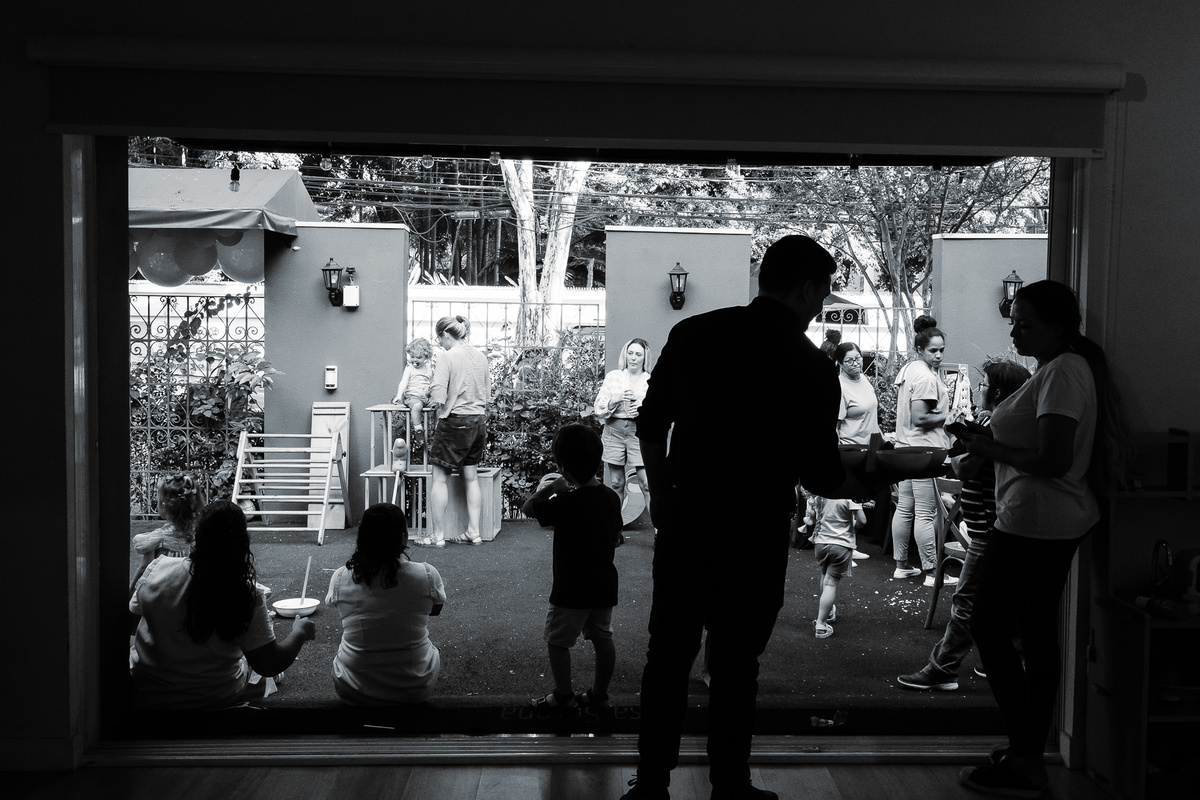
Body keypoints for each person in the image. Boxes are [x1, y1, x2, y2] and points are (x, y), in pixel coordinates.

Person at [622, 234, 870, 800]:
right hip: (755, 530)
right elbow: (821, 475)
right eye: (822, 294)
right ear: (806, 288)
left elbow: (650, 423)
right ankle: (730, 786)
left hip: (688, 518)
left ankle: (652, 785)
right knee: (737, 663)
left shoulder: (694, 333)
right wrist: (876, 478)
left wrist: (661, 494)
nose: (820, 307)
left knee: (668, 657)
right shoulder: (810, 366)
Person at [957, 280, 1127, 798]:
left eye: (1026, 324)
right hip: (1041, 519)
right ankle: (1026, 751)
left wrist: (989, 448)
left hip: (1037, 522)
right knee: (1033, 633)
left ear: (1058, 326)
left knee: (991, 626)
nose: (1014, 332)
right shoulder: (1058, 369)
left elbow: (1053, 460)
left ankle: (1027, 754)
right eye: (1014, 321)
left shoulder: (1064, 372)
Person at [896, 359, 1031, 691]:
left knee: (967, 601)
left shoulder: (999, 427)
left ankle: (943, 668)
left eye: (984, 385)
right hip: (992, 529)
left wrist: (971, 445)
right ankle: (1009, 659)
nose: (979, 389)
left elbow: (964, 468)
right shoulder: (999, 423)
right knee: (1004, 599)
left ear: (997, 392)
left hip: (988, 530)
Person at [128, 500, 316, 710]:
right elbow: (269, 664)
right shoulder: (245, 594)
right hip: (215, 697)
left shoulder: (158, 568)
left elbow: (130, 623)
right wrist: (299, 632)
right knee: (255, 670)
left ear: (197, 535)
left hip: (150, 693)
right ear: (242, 543)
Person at [522, 423, 622, 711]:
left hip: (571, 588)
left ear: (563, 466)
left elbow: (529, 509)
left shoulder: (566, 501)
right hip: (603, 585)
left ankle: (564, 697)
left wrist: (551, 488)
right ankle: (599, 696)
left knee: (558, 641)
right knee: (603, 638)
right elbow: (616, 537)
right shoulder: (611, 498)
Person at [325, 502, 446, 705]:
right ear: (404, 537)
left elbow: (338, 606)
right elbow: (436, 609)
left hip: (352, 686)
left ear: (361, 538)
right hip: (416, 686)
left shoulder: (340, 577)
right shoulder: (426, 574)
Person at [418, 315, 491, 548]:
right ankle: (474, 532)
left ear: (446, 335)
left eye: (440, 340)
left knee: (439, 479)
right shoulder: (480, 357)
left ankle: (437, 536)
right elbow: (487, 393)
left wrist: (426, 396)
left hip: (455, 421)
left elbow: (439, 394)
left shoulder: (447, 357)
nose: (440, 344)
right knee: (471, 478)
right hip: (478, 420)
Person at [890, 314, 953, 586]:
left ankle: (902, 566)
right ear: (920, 349)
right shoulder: (926, 377)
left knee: (905, 508)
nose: (938, 356)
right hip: (924, 451)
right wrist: (952, 416)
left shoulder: (909, 369)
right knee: (926, 513)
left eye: (941, 350)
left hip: (906, 448)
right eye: (933, 351)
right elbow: (920, 418)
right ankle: (932, 572)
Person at [594, 338, 653, 515]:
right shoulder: (614, 377)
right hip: (614, 430)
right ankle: (614, 527)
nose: (633, 358)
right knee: (616, 483)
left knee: (647, 484)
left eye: (638, 354)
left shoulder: (650, 381)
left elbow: (658, 410)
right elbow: (598, 408)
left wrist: (642, 410)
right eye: (630, 353)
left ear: (645, 358)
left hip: (638, 432)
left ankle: (659, 529)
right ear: (625, 355)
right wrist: (615, 399)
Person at [130, 474, 203, 592]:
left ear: (164, 505)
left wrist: (129, 595)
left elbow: (144, 567)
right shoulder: (198, 537)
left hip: (164, 593)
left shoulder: (157, 539)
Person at [810, 495, 867, 639]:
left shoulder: (819, 494)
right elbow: (862, 521)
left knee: (824, 575)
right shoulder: (850, 495)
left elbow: (813, 517)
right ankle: (821, 625)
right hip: (841, 544)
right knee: (831, 583)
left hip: (820, 543)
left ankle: (828, 612)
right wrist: (852, 524)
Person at [834, 342, 879, 446]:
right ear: (840, 363)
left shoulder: (863, 379)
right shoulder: (840, 387)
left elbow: (871, 416)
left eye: (858, 358)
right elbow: (834, 427)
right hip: (851, 448)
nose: (855, 363)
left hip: (871, 447)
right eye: (849, 361)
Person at [392, 337, 436, 436]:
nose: (414, 360)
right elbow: (403, 382)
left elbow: (431, 382)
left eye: (419, 357)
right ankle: (418, 429)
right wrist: (399, 395)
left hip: (426, 398)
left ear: (426, 357)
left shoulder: (428, 368)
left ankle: (436, 428)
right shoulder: (409, 368)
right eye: (412, 357)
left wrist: (432, 393)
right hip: (413, 397)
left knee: (438, 406)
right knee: (417, 406)